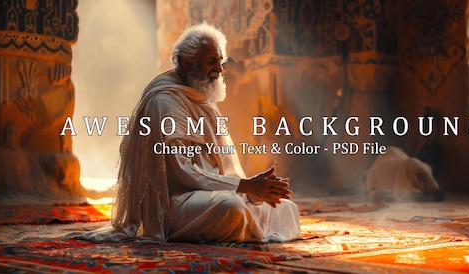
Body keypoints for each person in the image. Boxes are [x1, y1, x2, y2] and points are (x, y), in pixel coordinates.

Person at [69, 22, 301, 243]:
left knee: (285, 209)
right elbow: (184, 172)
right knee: (232, 209)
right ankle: (242, 225)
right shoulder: (165, 102)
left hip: (216, 194)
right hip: (178, 202)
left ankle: (246, 225)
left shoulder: (201, 97)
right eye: (212, 61)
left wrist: (253, 192)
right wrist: (244, 187)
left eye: (221, 61)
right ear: (187, 62)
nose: (219, 70)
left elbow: (224, 168)